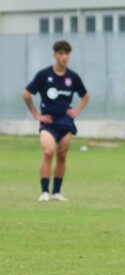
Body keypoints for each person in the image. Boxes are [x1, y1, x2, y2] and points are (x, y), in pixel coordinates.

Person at [22, 40, 89, 202]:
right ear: (55, 55)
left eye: (67, 53)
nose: (64, 57)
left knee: (62, 155)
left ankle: (57, 192)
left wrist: (77, 111)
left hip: (66, 122)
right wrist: (36, 114)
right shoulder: (44, 75)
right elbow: (26, 94)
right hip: (48, 122)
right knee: (48, 152)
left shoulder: (72, 77)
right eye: (61, 53)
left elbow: (85, 96)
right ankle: (44, 191)